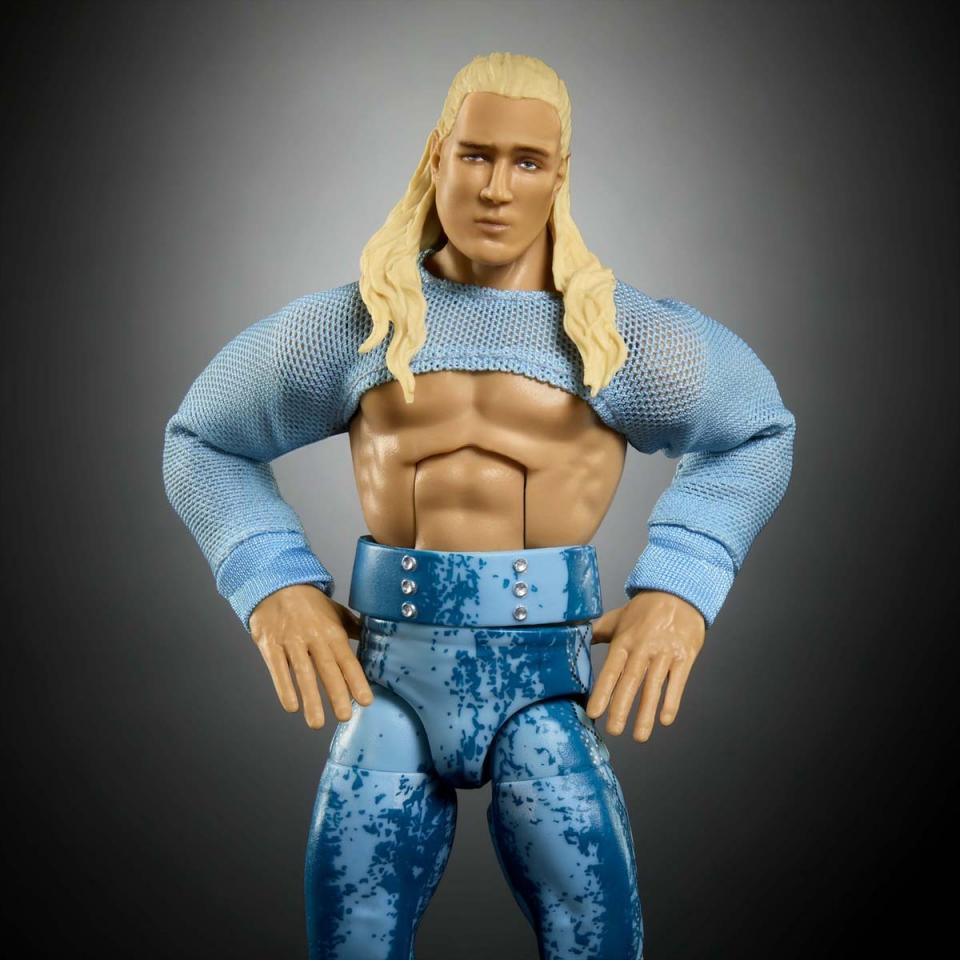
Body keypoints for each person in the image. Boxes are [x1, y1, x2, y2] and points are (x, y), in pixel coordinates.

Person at [162, 52, 795, 960]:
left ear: (560, 176)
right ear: (437, 156)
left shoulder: (614, 336)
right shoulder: (360, 325)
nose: (497, 188)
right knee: (352, 932)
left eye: (527, 162)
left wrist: (682, 586)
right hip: (388, 676)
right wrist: (271, 581)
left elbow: (758, 431)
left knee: (594, 929)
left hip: (542, 678)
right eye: (476, 155)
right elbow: (201, 438)